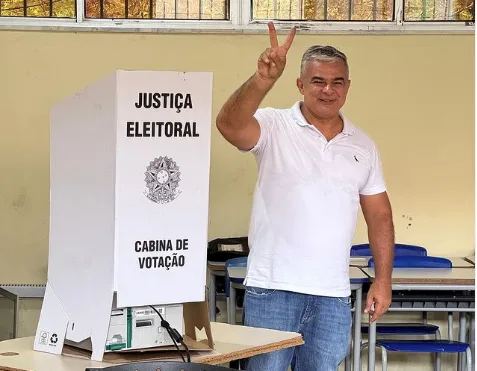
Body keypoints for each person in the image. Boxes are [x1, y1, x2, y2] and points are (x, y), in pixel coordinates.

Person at [216, 22, 395, 371]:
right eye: (317, 81)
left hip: (332, 294)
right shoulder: (273, 125)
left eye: (336, 82)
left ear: (347, 87)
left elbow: (380, 217)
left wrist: (384, 281)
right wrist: (262, 79)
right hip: (273, 288)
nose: (327, 90)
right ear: (300, 84)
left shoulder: (363, 145)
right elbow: (229, 125)